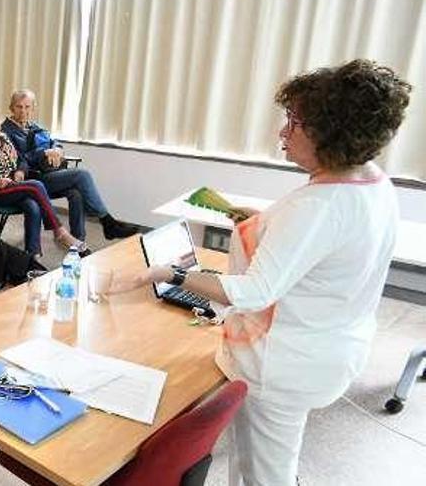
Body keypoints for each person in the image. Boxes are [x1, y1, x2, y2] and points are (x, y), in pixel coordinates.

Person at [109, 59, 411, 486]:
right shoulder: (373, 182)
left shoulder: (317, 208)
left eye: (295, 123)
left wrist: (167, 274)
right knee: (260, 463)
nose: (283, 133)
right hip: (331, 345)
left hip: (284, 363)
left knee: (265, 474)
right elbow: (322, 249)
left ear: (332, 133)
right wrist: (264, 223)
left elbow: (254, 291)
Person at [0, 90, 137, 240]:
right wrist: (43, 153)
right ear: (11, 108)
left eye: (27, 107)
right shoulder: (5, 131)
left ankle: (78, 243)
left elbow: (53, 142)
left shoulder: (35, 127)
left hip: (49, 174)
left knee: (76, 194)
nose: (23, 111)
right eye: (19, 107)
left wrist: (57, 149)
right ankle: (107, 222)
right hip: (32, 179)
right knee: (82, 174)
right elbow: (17, 160)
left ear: (33, 108)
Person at [0, 104, 87, 257]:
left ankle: (33, 255)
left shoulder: (2, 139)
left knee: (32, 205)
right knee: (36, 185)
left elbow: (20, 160)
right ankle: (59, 231)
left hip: (12, 186)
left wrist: (20, 171)